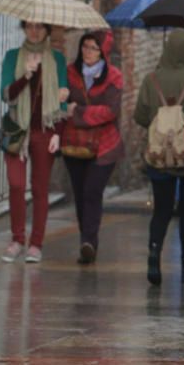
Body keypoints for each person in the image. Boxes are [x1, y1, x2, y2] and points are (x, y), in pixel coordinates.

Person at [134, 30, 184, 285]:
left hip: (159, 156)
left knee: (161, 211)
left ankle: (154, 254)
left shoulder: (151, 80)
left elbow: (140, 117)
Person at [0, 21, 68, 263]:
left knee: (39, 188)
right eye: (29, 26)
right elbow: (6, 95)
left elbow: (62, 100)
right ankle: (17, 239)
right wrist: (26, 74)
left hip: (45, 131)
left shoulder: (57, 60)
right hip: (17, 130)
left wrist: (58, 133)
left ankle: (36, 244)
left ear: (47, 30)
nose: (34, 31)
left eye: (39, 27)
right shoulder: (12, 57)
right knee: (16, 184)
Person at [61, 31, 124, 264]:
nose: (87, 52)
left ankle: (89, 241)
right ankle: (85, 240)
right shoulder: (69, 73)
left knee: (92, 191)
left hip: (104, 146)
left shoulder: (114, 77)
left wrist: (77, 112)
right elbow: (60, 105)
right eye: (85, 47)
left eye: (93, 48)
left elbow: (110, 111)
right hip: (74, 143)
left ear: (103, 52)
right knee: (79, 194)